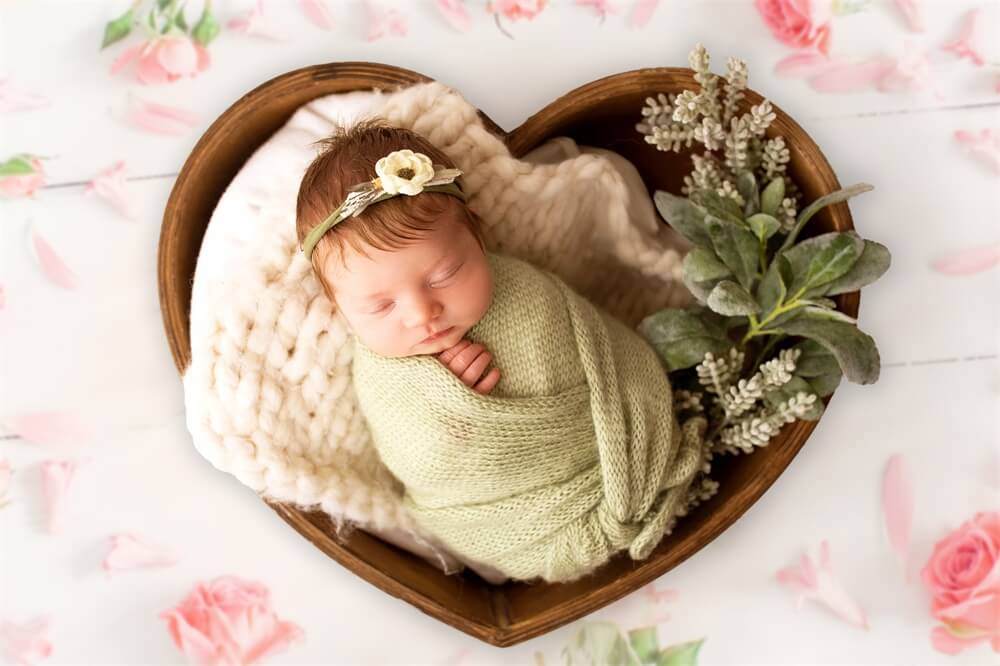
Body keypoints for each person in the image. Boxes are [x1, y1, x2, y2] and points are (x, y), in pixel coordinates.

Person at [295, 118, 701, 584]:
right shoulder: (381, 375)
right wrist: (452, 413)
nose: (422, 313)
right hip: (500, 519)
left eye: (444, 275)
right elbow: (415, 458)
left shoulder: (524, 293)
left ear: (479, 238)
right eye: (380, 305)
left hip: (611, 458)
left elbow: (604, 352)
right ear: (342, 310)